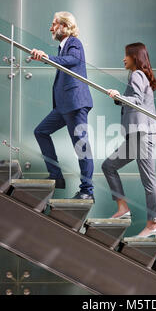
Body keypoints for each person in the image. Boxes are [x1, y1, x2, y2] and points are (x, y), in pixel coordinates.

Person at [30, 11, 94, 200]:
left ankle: (87, 191)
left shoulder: (74, 43)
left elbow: (73, 61)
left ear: (65, 26)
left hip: (75, 104)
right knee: (40, 131)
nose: (51, 28)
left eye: (54, 24)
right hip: (63, 106)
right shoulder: (62, 47)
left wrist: (46, 57)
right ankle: (56, 176)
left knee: (82, 147)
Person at [102, 42, 156, 238]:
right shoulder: (138, 76)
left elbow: (137, 100)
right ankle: (123, 207)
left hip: (143, 134)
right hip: (137, 134)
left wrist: (118, 95)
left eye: (126, 55)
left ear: (135, 57)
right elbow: (136, 99)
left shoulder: (137, 74)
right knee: (108, 166)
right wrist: (119, 98)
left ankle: (153, 224)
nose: (123, 59)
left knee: (148, 181)